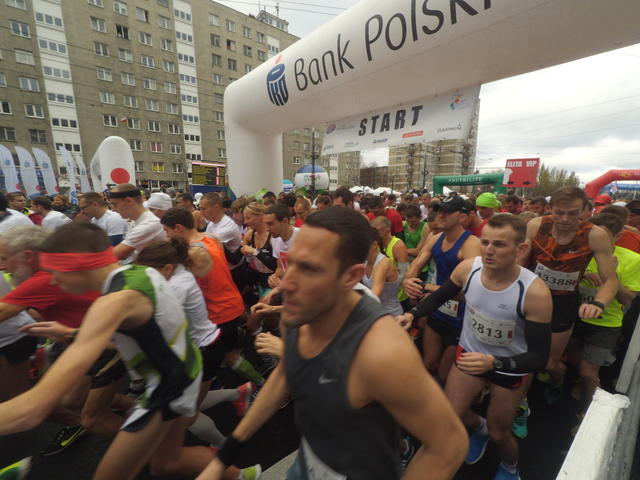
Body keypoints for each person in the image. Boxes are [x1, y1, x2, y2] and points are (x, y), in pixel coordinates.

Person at [198, 207, 468, 480]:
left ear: (350, 276)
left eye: (310, 269)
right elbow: (284, 374)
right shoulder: (302, 310)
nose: (287, 284)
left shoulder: (382, 350)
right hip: (309, 460)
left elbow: (449, 443)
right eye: (293, 263)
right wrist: (224, 458)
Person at [396, 214, 552, 480]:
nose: (489, 250)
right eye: (485, 242)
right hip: (469, 354)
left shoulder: (535, 293)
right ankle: (479, 427)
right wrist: (412, 314)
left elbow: (539, 357)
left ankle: (510, 467)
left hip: (508, 366)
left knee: (499, 433)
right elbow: (440, 296)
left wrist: (494, 363)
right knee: (450, 416)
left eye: (499, 244)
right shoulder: (468, 269)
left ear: (520, 249)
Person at [520, 187, 617, 404]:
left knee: (549, 363)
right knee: (523, 352)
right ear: (550, 208)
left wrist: (599, 303)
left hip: (563, 303)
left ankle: (558, 380)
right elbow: (518, 261)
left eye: (573, 213)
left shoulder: (595, 235)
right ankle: (521, 401)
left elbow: (610, 280)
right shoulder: (536, 225)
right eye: (559, 212)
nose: (565, 219)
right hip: (532, 297)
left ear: (584, 210)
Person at [572, 213, 640, 421]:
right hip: (574, 319)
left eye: (603, 235)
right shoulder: (579, 252)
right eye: (592, 234)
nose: (596, 239)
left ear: (618, 236)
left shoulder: (633, 259)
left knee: (588, 372)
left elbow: (627, 299)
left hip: (606, 325)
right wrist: (581, 275)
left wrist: (610, 277)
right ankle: (579, 386)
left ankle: (588, 415)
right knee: (576, 365)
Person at [109, 183, 167, 261]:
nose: (113, 209)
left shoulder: (149, 224)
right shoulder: (137, 221)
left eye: (115, 204)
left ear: (128, 201)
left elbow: (117, 254)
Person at [362, 227, 403, 317]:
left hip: (391, 315)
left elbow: (375, 292)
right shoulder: (364, 261)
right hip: (375, 313)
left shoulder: (386, 261)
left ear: (374, 244)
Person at [240, 203, 277, 299]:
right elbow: (240, 256)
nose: (245, 222)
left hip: (271, 281)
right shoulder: (250, 234)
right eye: (245, 218)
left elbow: (274, 265)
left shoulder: (273, 236)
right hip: (256, 280)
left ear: (260, 216)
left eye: (248, 218)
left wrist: (255, 252)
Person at [264, 203, 299, 289]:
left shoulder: (302, 237)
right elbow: (280, 268)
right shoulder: (274, 239)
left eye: (271, 224)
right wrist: (274, 277)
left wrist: (284, 285)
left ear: (285, 221)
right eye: (266, 224)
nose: (267, 229)